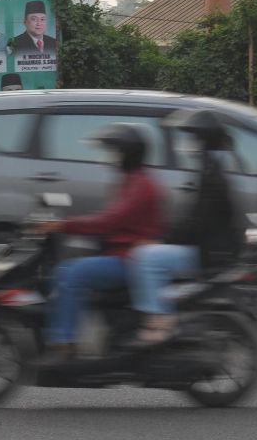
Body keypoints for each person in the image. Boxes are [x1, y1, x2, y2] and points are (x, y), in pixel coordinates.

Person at [35, 124, 163, 363]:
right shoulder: (132, 180)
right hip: (122, 253)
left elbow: (111, 220)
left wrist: (64, 225)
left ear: (127, 153)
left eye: (114, 151)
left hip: (129, 259)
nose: (110, 157)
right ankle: (65, 331)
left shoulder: (141, 185)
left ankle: (63, 343)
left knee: (73, 274)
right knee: (60, 272)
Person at [128, 109, 238, 345]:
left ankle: (159, 320)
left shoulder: (212, 174)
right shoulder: (213, 168)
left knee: (146, 257)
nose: (185, 144)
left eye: (191, 138)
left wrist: (163, 239)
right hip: (212, 247)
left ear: (203, 141)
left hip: (208, 252)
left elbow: (198, 223)